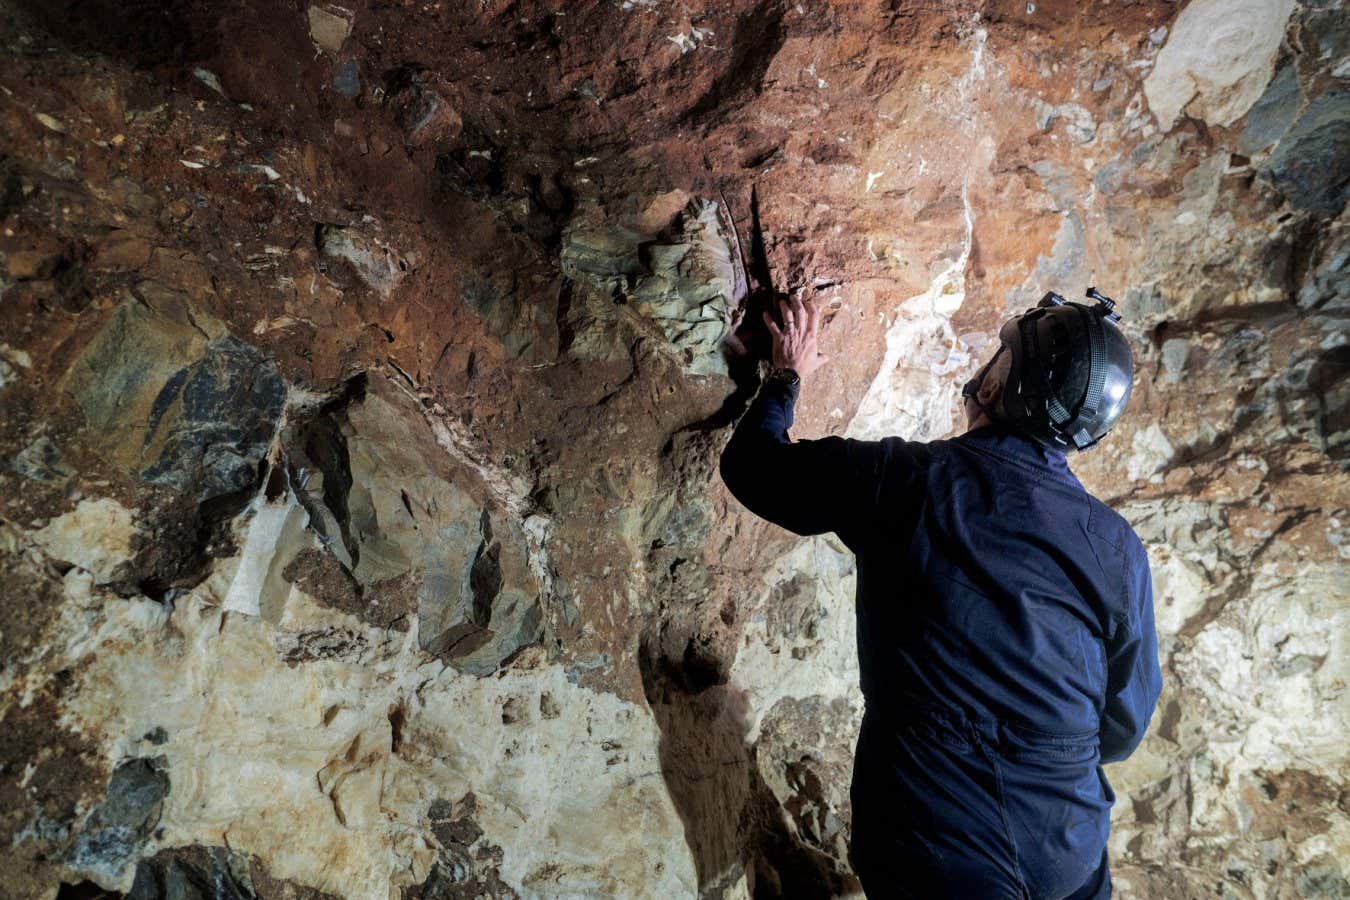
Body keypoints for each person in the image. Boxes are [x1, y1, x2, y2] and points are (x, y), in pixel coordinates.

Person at [718, 291, 1162, 899]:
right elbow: (1123, 728)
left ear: (1001, 381)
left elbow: (756, 468)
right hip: (1068, 850)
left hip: (934, 844)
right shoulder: (1117, 548)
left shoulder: (907, 480)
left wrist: (787, 375)